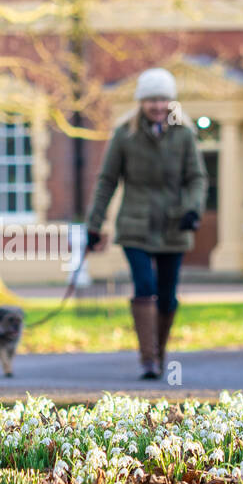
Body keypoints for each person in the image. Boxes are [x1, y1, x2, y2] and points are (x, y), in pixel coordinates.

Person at [86, 67, 206, 379]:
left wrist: (193, 208)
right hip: (135, 225)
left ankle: (160, 351)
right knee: (145, 286)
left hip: (173, 224)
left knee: (167, 294)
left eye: (163, 99)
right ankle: (148, 359)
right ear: (140, 101)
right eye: (150, 99)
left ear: (171, 101)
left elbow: (197, 178)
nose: (156, 106)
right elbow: (107, 180)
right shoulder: (124, 134)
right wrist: (94, 224)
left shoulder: (184, 135)